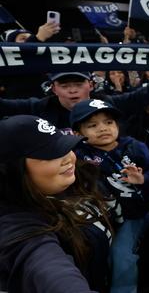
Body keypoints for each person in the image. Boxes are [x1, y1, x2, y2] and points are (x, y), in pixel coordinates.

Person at [0, 115, 112, 292]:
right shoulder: (18, 228)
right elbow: (50, 270)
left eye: (65, 147)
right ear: (14, 170)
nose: (69, 158)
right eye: (50, 154)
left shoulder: (66, 179)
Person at [70, 99, 149, 293]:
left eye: (109, 122)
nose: (103, 129)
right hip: (100, 218)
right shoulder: (77, 155)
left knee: (121, 255)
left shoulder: (134, 146)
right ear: (78, 133)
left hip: (134, 215)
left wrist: (143, 178)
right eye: (92, 125)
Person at [0, 71, 149, 132]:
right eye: (65, 85)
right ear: (53, 89)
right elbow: (5, 106)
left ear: (91, 85)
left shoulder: (106, 103)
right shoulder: (40, 107)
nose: (72, 90)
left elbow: (145, 95)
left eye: (78, 84)